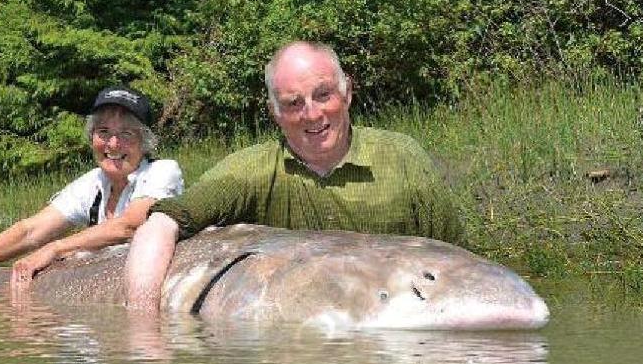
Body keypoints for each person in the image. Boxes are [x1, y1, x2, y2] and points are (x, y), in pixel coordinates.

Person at [125, 41, 462, 306]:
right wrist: (143, 334)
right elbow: (162, 222)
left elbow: (459, 259)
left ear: (347, 93)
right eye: (293, 103)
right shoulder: (250, 169)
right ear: (274, 112)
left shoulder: (404, 157)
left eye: (323, 95)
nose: (312, 114)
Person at [0, 86, 183, 288]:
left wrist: (56, 248)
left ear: (146, 141)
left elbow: (130, 226)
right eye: (103, 132)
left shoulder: (163, 171)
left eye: (127, 134)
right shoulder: (93, 182)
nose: (113, 144)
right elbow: (31, 231)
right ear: (92, 138)